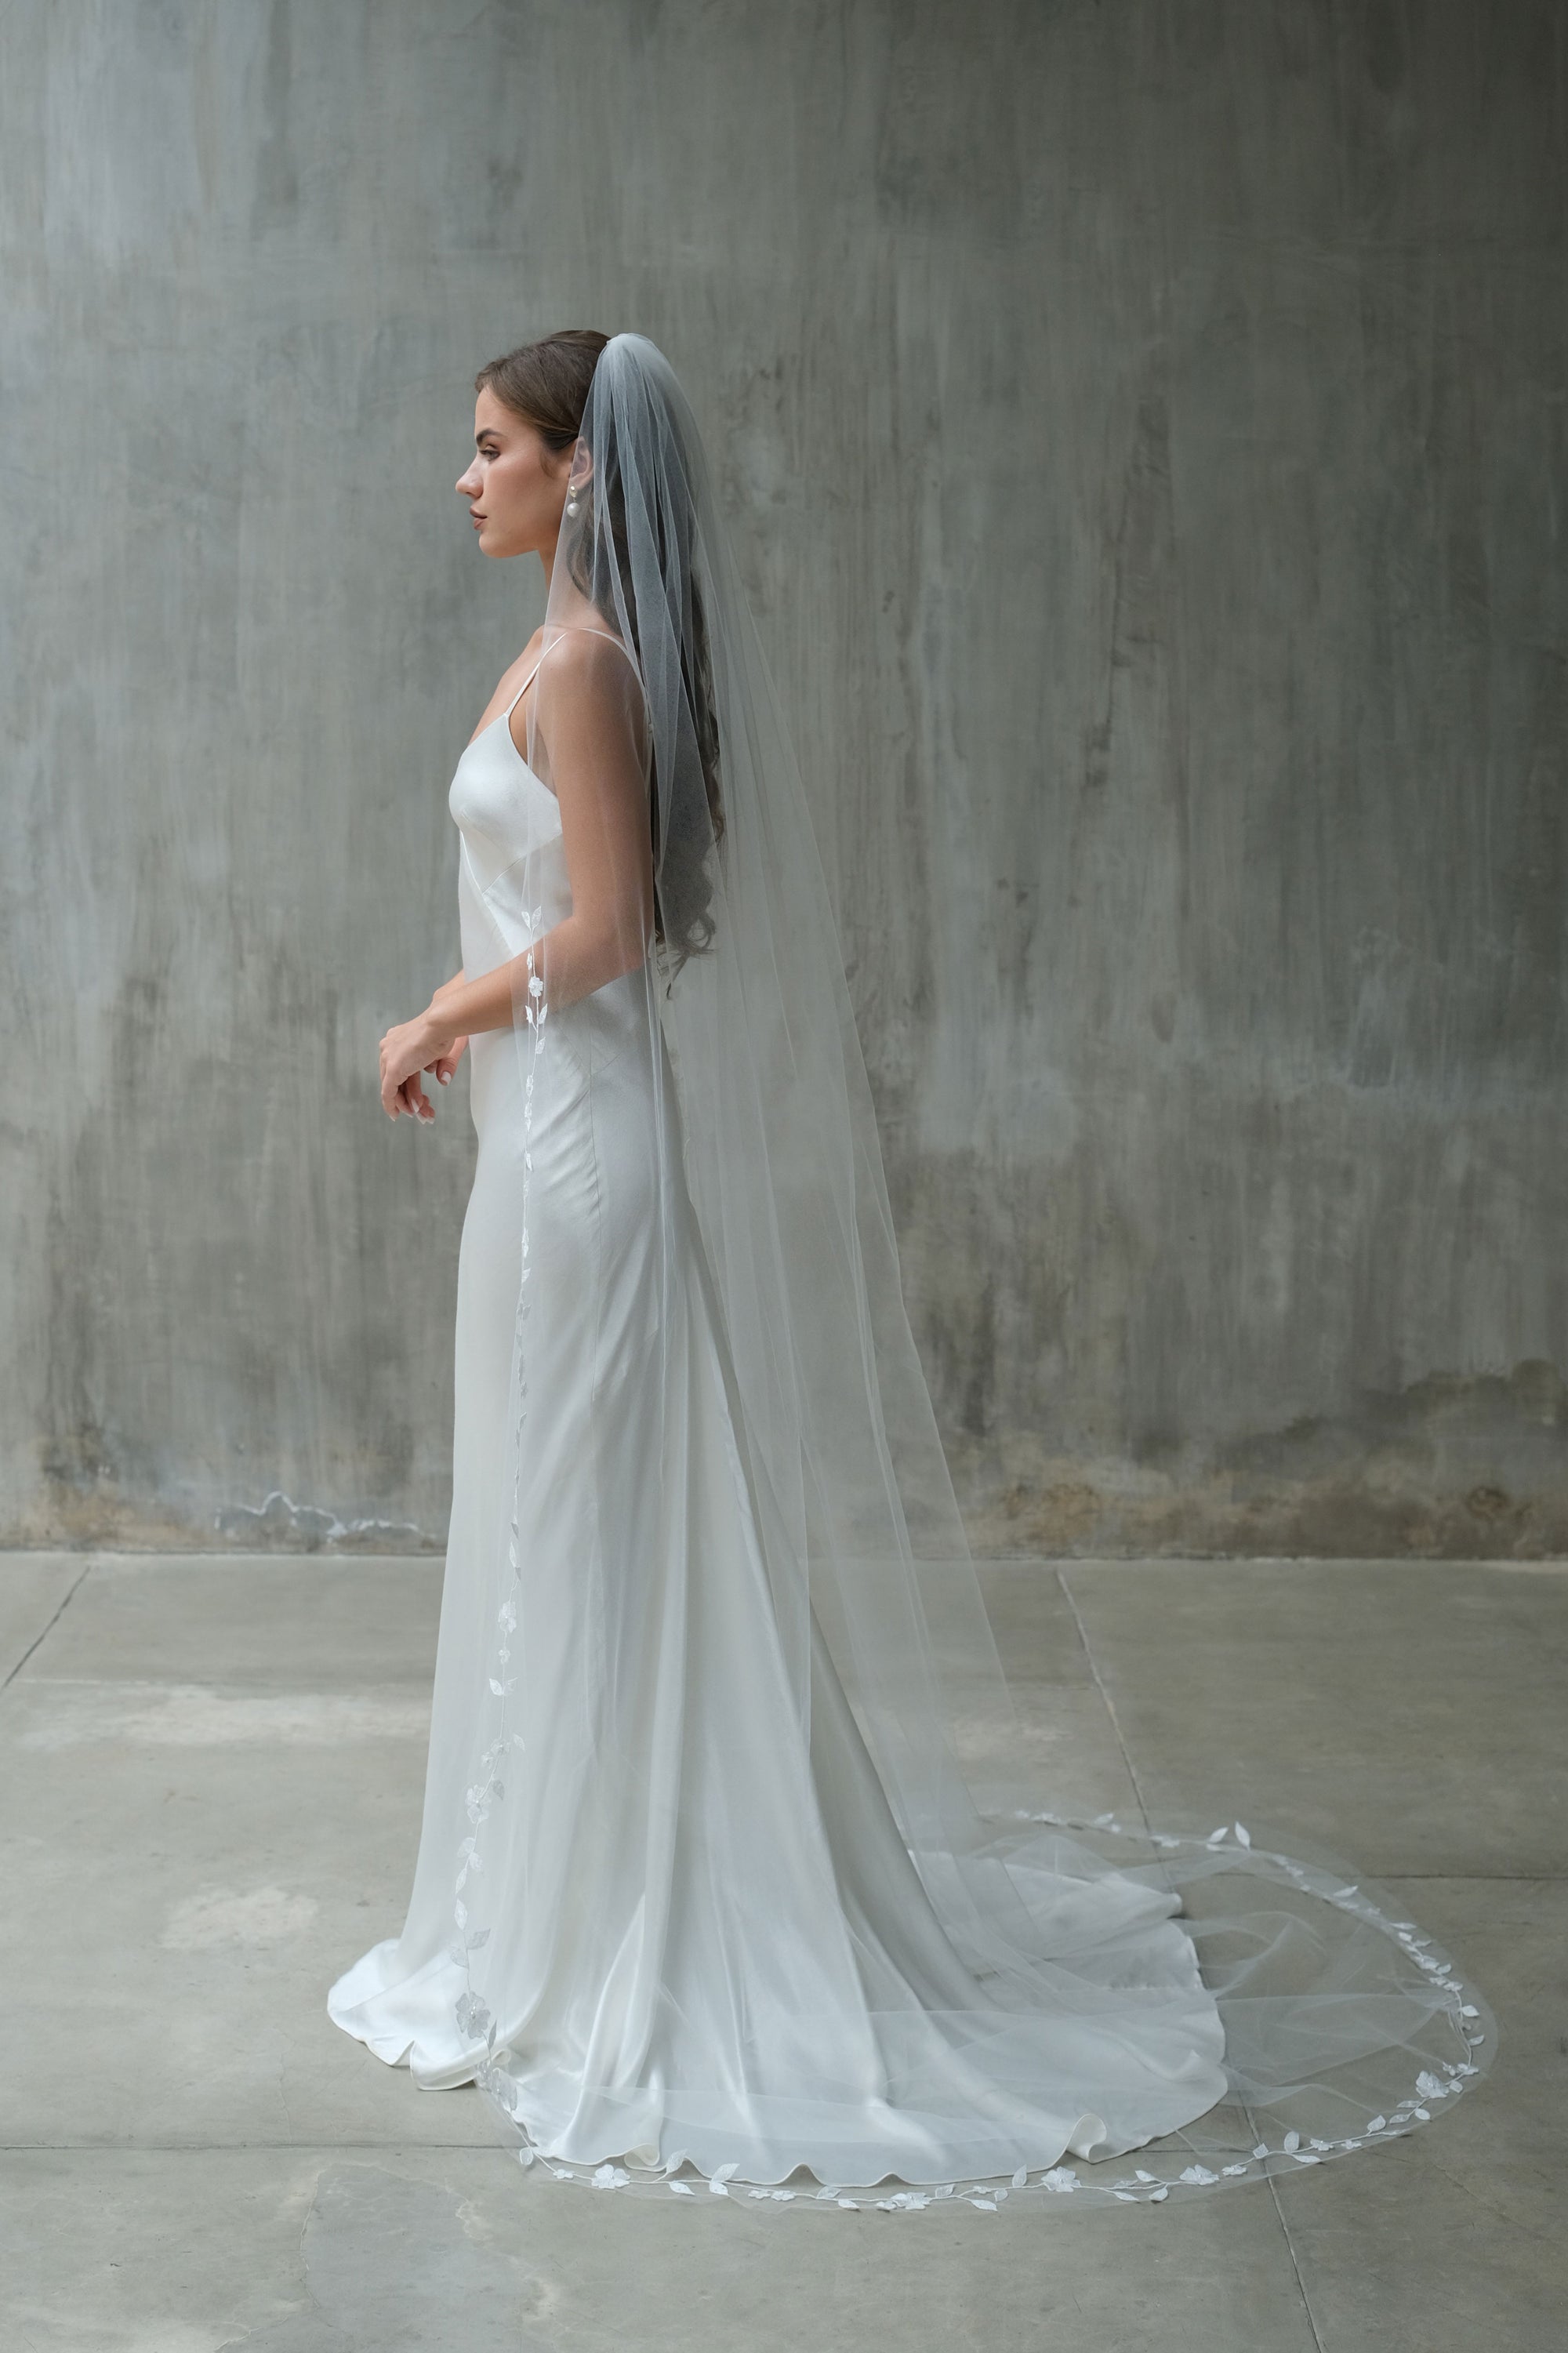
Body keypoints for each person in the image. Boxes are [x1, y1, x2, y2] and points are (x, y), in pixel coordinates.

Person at [328, 330, 1490, 2207]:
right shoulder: (548, 657)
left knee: (595, 1526)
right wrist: (477, 1022)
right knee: (558, 1523)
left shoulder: (592, 674)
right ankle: (537, 1908)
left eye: (489, 449)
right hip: (536, 1158)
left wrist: (437, 1010)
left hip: (582, 1159)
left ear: (580, 472)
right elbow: (564, 910)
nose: (464, 479)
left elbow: (610, 931)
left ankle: (621, 1934)